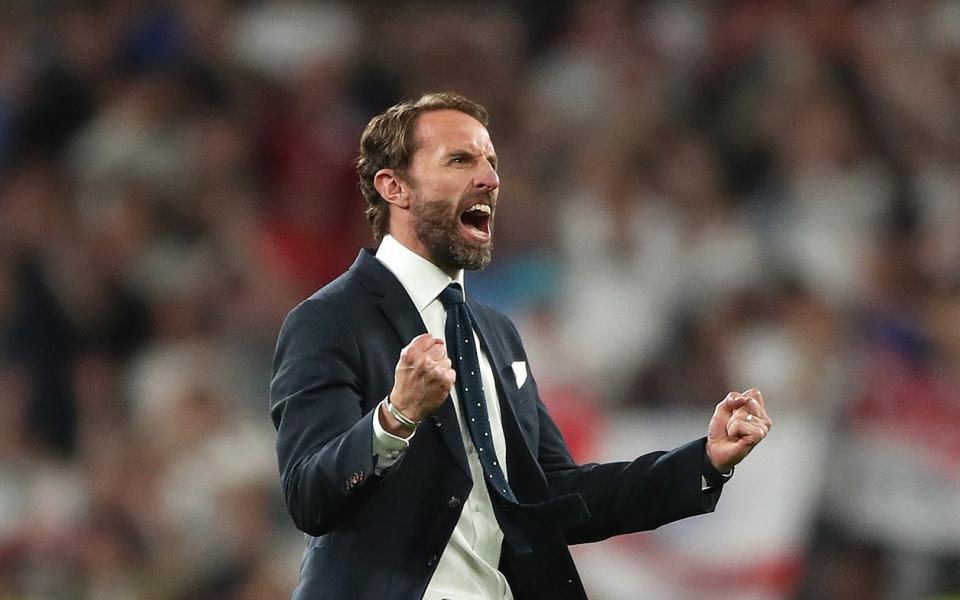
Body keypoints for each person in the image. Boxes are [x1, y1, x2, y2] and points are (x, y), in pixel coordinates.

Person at [269, 92, 772, 599]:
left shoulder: (496, 332)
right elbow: (310, 497)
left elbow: (553, 492)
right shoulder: (329, 320)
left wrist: (703, 461)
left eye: (491, 161)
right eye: (461, 160)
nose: (489, 178)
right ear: (394, 186)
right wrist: (395, 418)